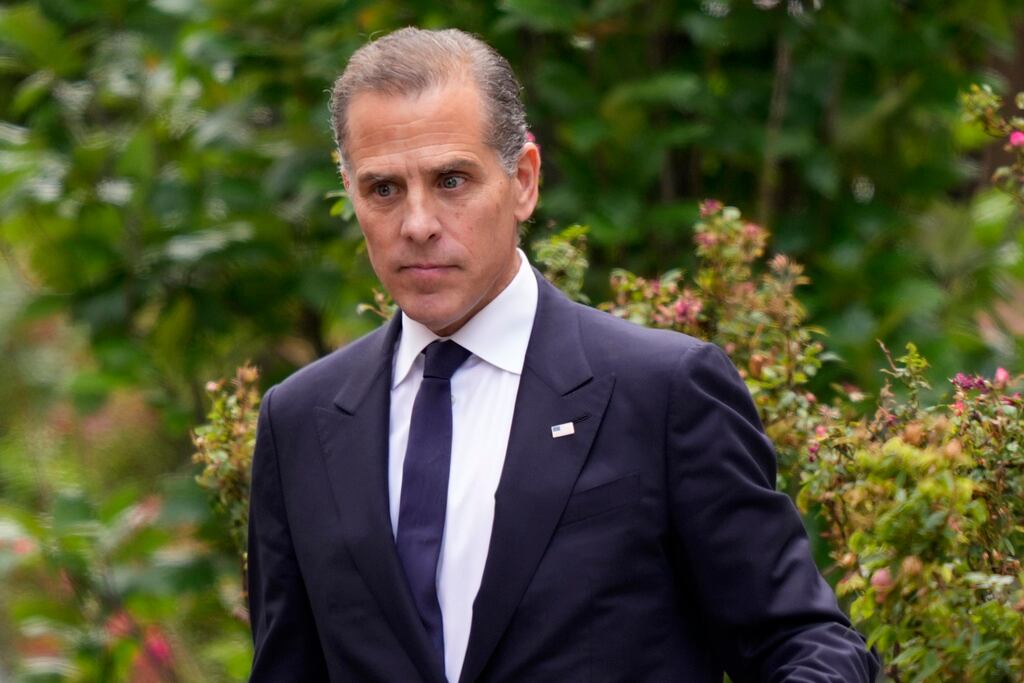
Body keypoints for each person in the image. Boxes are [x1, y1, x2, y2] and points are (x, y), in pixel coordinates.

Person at [246, 27, 879, 683]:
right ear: (350, 191)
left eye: (451, 180)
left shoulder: (661, 392)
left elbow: (806, 645)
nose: (418, 223)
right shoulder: (300, 422)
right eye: (383, 189)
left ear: (523, 180)